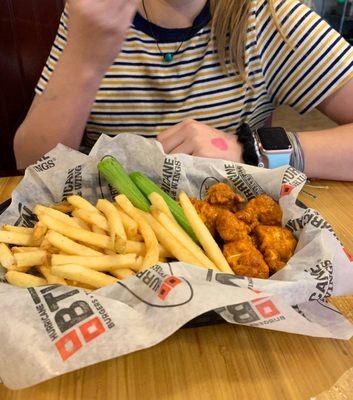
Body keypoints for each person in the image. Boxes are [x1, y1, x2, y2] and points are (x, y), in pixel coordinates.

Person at [14, 0, 353, 180]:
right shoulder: (95, 15)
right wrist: (85, 59)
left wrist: (251, 152)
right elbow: (31, 162)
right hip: (112, 224)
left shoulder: (270, 17)